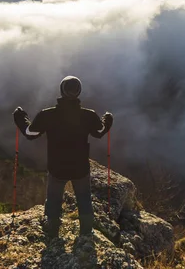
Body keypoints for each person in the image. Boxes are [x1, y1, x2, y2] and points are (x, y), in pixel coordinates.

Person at [13, 75, 113, 239]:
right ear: (79, 92)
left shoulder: (47, 115)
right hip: (80, 167)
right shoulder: (89, 115)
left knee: (53, 197)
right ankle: (86, 232)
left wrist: (19, 117)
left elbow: (30, 133)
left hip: (56, 166)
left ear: (61, 90)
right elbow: (100, 132)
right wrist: (108, 120)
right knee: (84, 198)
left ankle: (52, 228)